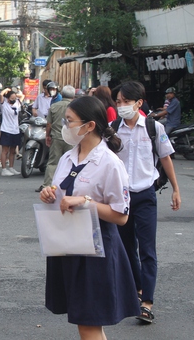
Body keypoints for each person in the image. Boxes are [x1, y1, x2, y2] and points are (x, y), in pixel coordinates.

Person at [38, 96, 139, 339]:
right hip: (68, 243)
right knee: (85, 322)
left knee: (89, 323)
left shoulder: (109, 163)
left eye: (70, 121)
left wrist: (85, 202)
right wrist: (50, 194)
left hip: (96, 249)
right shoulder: (68, 157)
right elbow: (62, 194)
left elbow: (121, 215)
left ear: (90, 125)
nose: (65, 126)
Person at [113, 81, 181, 324]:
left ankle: (147, 302)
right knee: (127, 248)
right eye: (118, 102)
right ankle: (138, 289)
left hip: (145, 196)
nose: (121, 106)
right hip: (121, 198)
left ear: (138, 103)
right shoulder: (112, 130)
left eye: (125, 102)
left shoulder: (154, 128)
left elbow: (165, 158)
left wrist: (175, 189)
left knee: (147, 250)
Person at [36, 85, 75, 193]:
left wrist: (48, 136)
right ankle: (68, 185)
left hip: (57, 137)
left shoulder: (54, 106)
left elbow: (49, 124)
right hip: (72, 138)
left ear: (62, 94)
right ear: (73, 95)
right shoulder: (76, 107)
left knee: (53, 162)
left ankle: (46, 185)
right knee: (72, 162)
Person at [0, 87, 22, 176]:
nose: (13, 100)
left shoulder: (17, 103)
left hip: (15, 130)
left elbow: (22, 95)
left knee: (13, 150)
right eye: (11, 98)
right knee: (5, 150)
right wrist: (7, 90)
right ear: (7, 98)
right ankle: (4, 169)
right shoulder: (4, 104)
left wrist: (15, 95)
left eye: (14, 98)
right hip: (6, 129)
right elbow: (1, 95)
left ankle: (11, 167)